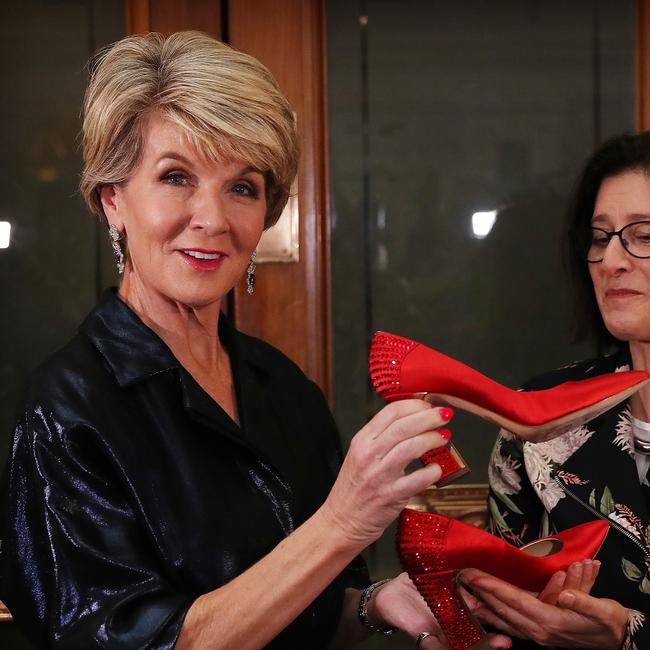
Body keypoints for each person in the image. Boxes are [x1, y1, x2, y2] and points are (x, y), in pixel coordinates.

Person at [0, 31, 512, 650]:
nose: (213, 218)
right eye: (176, 177)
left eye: (242, 187)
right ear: (113, 201)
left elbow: (310, 614)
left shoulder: (283, 387)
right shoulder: (65, 410)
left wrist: (378, 603)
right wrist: (343, 522)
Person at [462, 132, 650, 649]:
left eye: (645, 235)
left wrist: (626, 638)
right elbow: (499, 615)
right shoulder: (539, 416)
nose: (612, 260)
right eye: (600, 236)